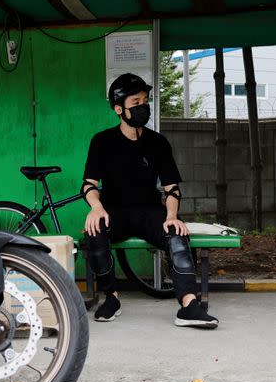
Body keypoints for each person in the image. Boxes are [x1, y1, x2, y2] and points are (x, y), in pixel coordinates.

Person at [80, 73, 218, 329]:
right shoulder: (102, 141)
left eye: (145, 100)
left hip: (150, 212)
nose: (143, 106)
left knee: (176, 234)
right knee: (95, 228)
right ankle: (111, 298)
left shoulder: (158, 143)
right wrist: (96, 208)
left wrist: (172, 216)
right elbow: (89, 185)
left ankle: (189, 305)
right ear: (119, 109)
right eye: (136, 102)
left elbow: (172, 188)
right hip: (115, 211)